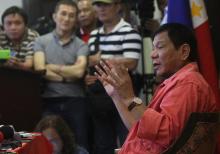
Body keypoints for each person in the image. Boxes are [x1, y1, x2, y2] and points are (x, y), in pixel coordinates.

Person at [95, 23, 218, 154]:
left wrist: (130, 97)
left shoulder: (188, 83)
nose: (152, 54)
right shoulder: (178, 82)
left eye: (159, 47)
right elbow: (140, 129)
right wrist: (116, 96)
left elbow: (167, 135)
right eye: (153, 48)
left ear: (184, 51)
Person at [87, 0, 142, 153]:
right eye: (98, 5)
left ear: (117, 6)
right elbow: (90, 64)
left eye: (106, 5)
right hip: (99, 96)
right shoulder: (94, 34)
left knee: (128, 139)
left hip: (122, 93)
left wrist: (100, 59)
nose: (101, 9)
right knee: (102, 143)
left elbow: (131, 62)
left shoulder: (129, 31)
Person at [34, 0, 89, 150]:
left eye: (71, 15)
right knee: (48, 144)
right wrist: (67, 76)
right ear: (54, 16)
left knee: (80, 144)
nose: (66, 19)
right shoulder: (41, 41)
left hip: (76, 100)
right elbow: (40, 68)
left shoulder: (81, 45)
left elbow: (79, 72)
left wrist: (50, 67)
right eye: (63, 14)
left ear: (76, 19)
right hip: (49, 100)